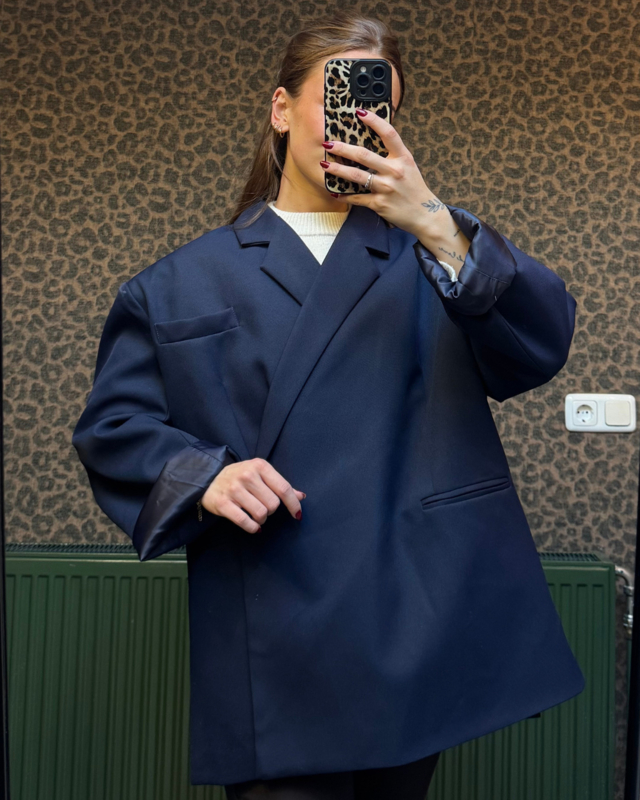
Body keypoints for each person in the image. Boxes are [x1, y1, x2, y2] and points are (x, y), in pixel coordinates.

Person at [72, 11, 585, 800]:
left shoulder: (434, 257)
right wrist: (205, 475)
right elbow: (114, 428)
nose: (362, 123)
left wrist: (434, 220)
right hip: (273, 633)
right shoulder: (177, 283)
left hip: (410, 628)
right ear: (282, 110)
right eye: (342, 99)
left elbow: (541, 342)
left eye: (381, 107)